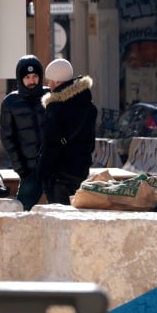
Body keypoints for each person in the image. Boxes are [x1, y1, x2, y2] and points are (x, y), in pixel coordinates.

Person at [37, 59, 97, 205]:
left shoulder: (56, 108)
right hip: (80, 172)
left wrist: (42, 173)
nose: (48, 85)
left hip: (59, 175)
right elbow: (90, 143)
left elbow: (51, 146)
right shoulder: (89, 106)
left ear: (58, 82)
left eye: (50, 81)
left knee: (59, 222)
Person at [0, 55, 48, 210]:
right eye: (27, 77)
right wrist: (21, 169)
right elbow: (8, 139)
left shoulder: (50, 96)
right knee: (22, 211)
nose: (32, 81)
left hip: (53, 168)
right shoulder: (10, 102)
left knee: (64, 211)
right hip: (30, 171)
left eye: (35, 76)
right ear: (20, 79)